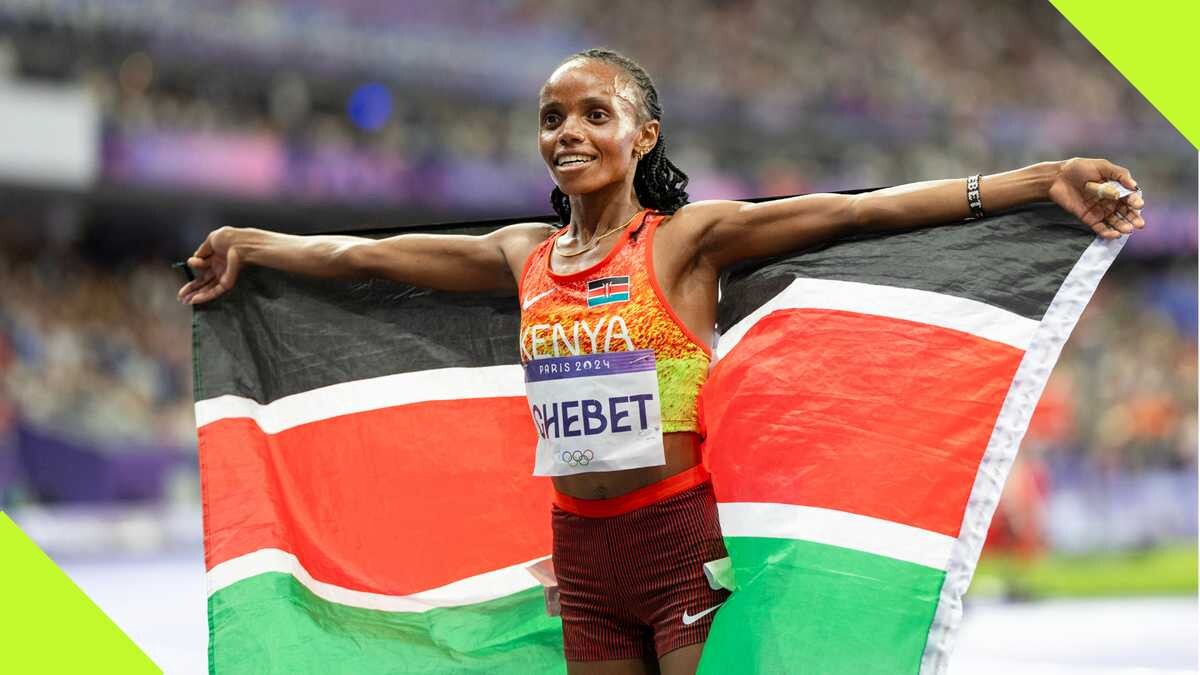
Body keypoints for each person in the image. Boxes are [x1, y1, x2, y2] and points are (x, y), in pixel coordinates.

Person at [178, 48, 1145, 675]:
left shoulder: (683, 243)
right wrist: (253, 243)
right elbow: (365, 257)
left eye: (594, 114)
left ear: (642, 136)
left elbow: (858, 210)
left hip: (677, 547)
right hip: (581, 558)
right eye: (552, 117)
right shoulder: (523, 255)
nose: (568, 132)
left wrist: (1038, 179)